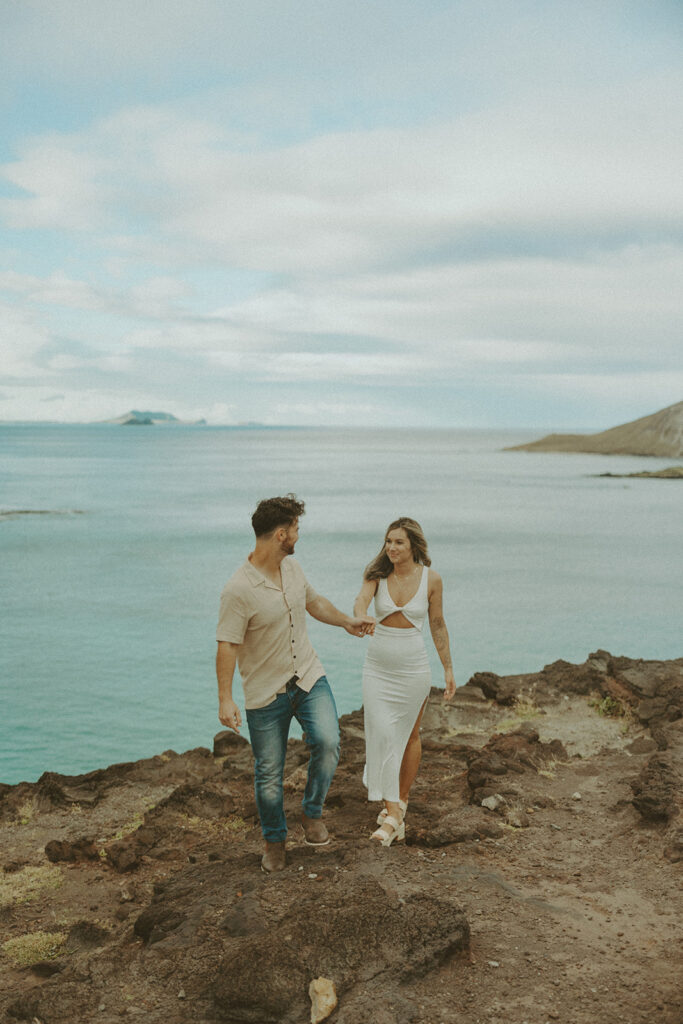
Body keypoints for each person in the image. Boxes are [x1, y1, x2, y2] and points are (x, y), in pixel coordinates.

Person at [216, 494, 374, 874]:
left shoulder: (293, 569)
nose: (299, 536)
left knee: (329, 741)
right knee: (269, 773)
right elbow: (227, 645)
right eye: (296, 530)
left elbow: (314, 603)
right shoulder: (238, 590)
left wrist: (346, 622)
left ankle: (311, 813)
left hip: (306, 675)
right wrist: (225, 699)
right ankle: (274, 841)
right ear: (281, 534)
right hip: (264, 693)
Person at [353, 517, 455, 846]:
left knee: (410, 736)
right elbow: (360, 601)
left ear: (413, 545)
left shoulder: (431, 579)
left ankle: (398, 809)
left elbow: (438, 624)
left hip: (413, 666)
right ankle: (394, 813)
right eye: (388, 542)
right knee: (382, 735)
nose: (392, 548)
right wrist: (362, 615)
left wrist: (448, 669)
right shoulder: (377, 575)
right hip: (378, 667)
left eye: (399, 542)